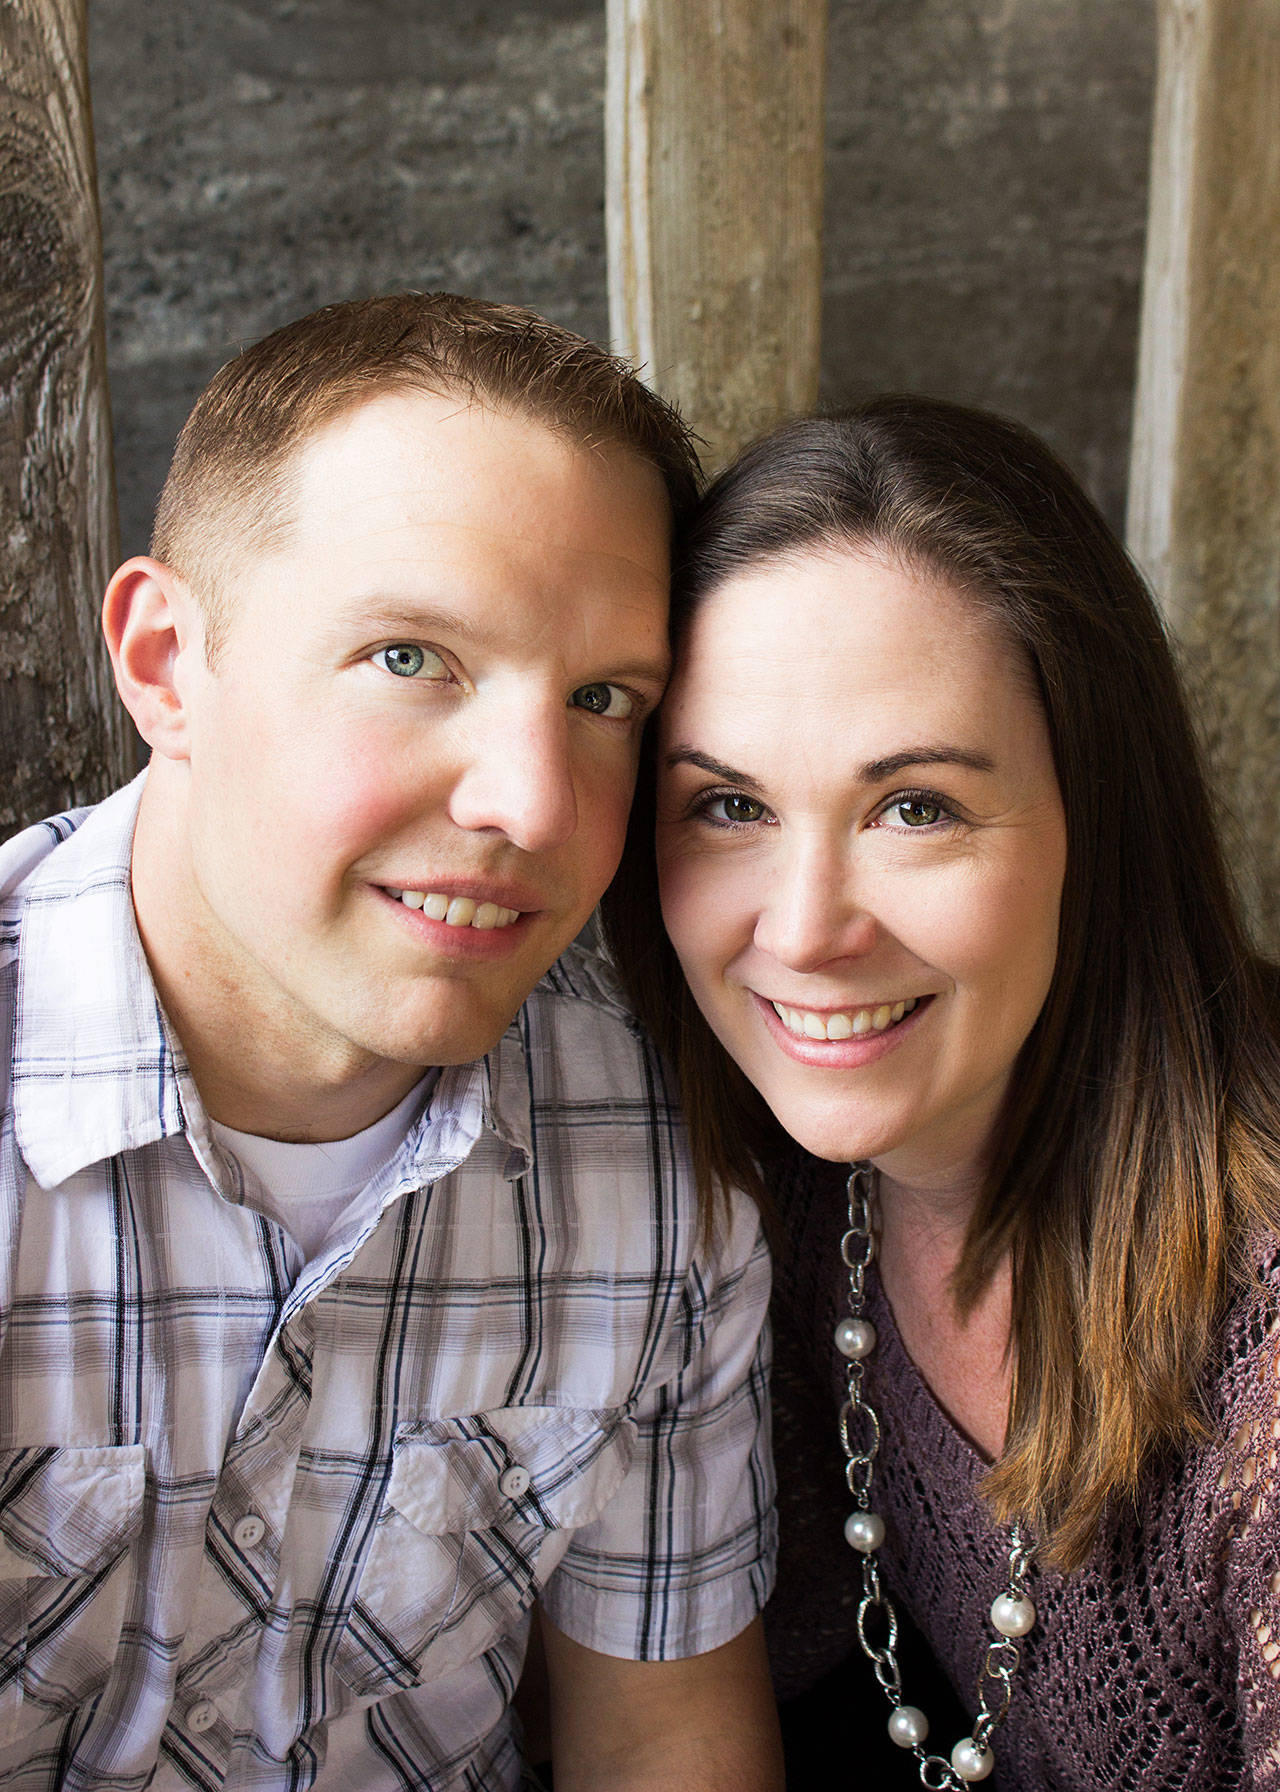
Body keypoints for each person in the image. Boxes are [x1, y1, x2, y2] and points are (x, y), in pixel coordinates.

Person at [0, 293, 782, 1792]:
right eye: (413, 658)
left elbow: (663, 1737)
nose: (533, 805)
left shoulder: (660, 1166)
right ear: (165, 663)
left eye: (603, 698)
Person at [601, 394, 1280, 1789]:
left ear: (1100, 816)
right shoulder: (783, 1190)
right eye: (730, 805)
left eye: (916, 808)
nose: (804, 931)